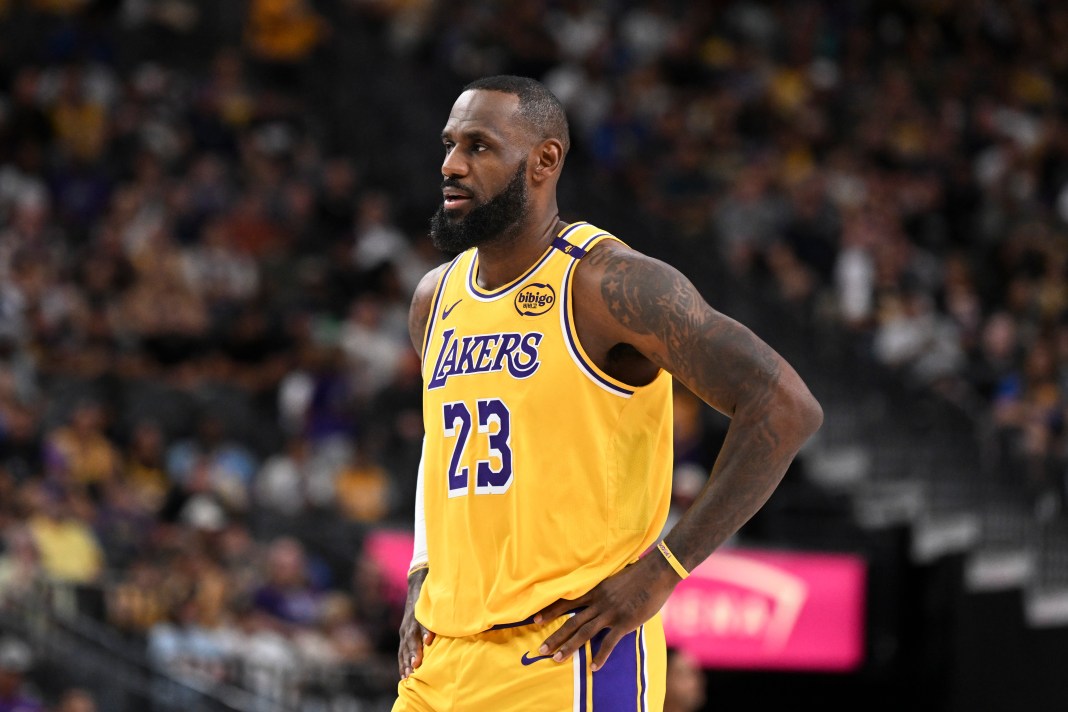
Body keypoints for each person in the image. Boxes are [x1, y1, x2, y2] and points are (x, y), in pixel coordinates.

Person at [394, 75, 823, 712]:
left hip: (565, 658)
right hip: (443, 660)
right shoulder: (435, 297)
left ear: (544, 160)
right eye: (450, 144)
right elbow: (443, 441)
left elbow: (785, 406)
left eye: (479, 147)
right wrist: (421, 572)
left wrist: (662, 571)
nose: (451, 166)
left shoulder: (607, 284)